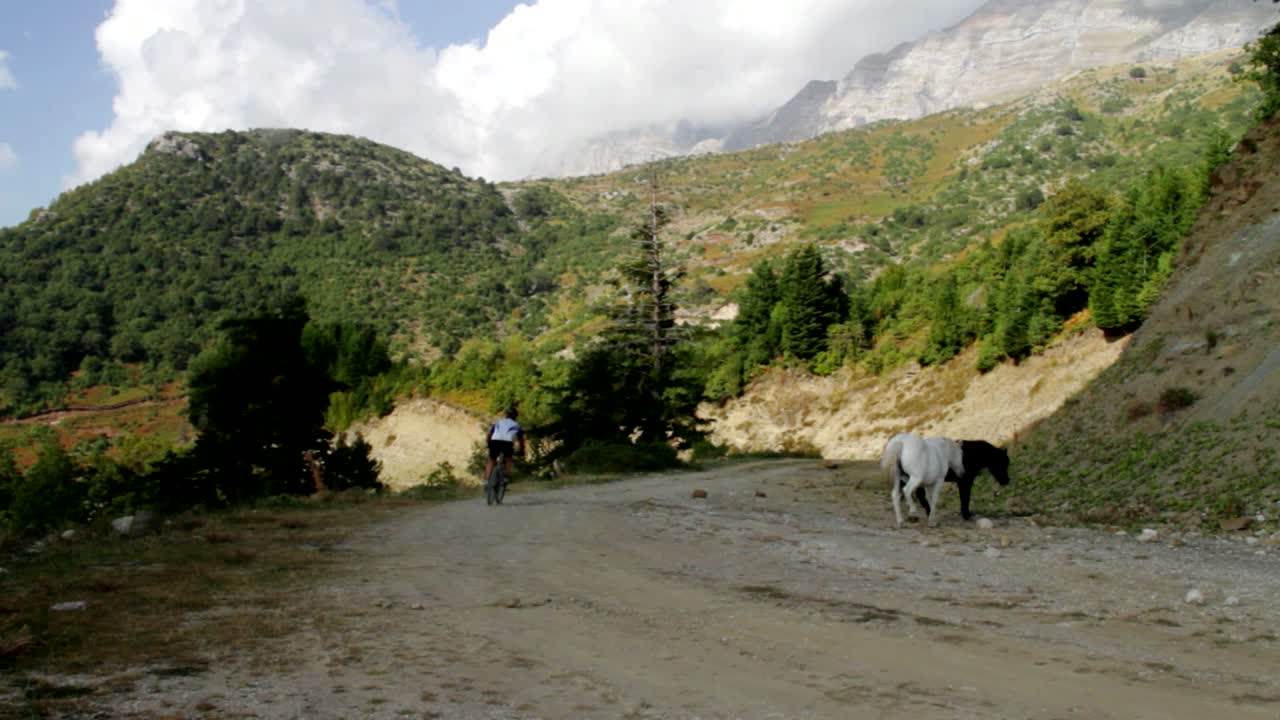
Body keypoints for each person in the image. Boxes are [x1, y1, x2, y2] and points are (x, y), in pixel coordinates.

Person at [483, 406, 525, 485]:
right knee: (508, 459)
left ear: (506, 414)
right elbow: (521, 440)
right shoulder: (517, 425)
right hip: (507, 443)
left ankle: (486, 480)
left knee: (492, 460)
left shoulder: (497, 422)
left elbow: (489, 434)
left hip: (495, 441)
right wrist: (522, 450)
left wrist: (488, 443)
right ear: (515, 416)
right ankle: (506, 478)